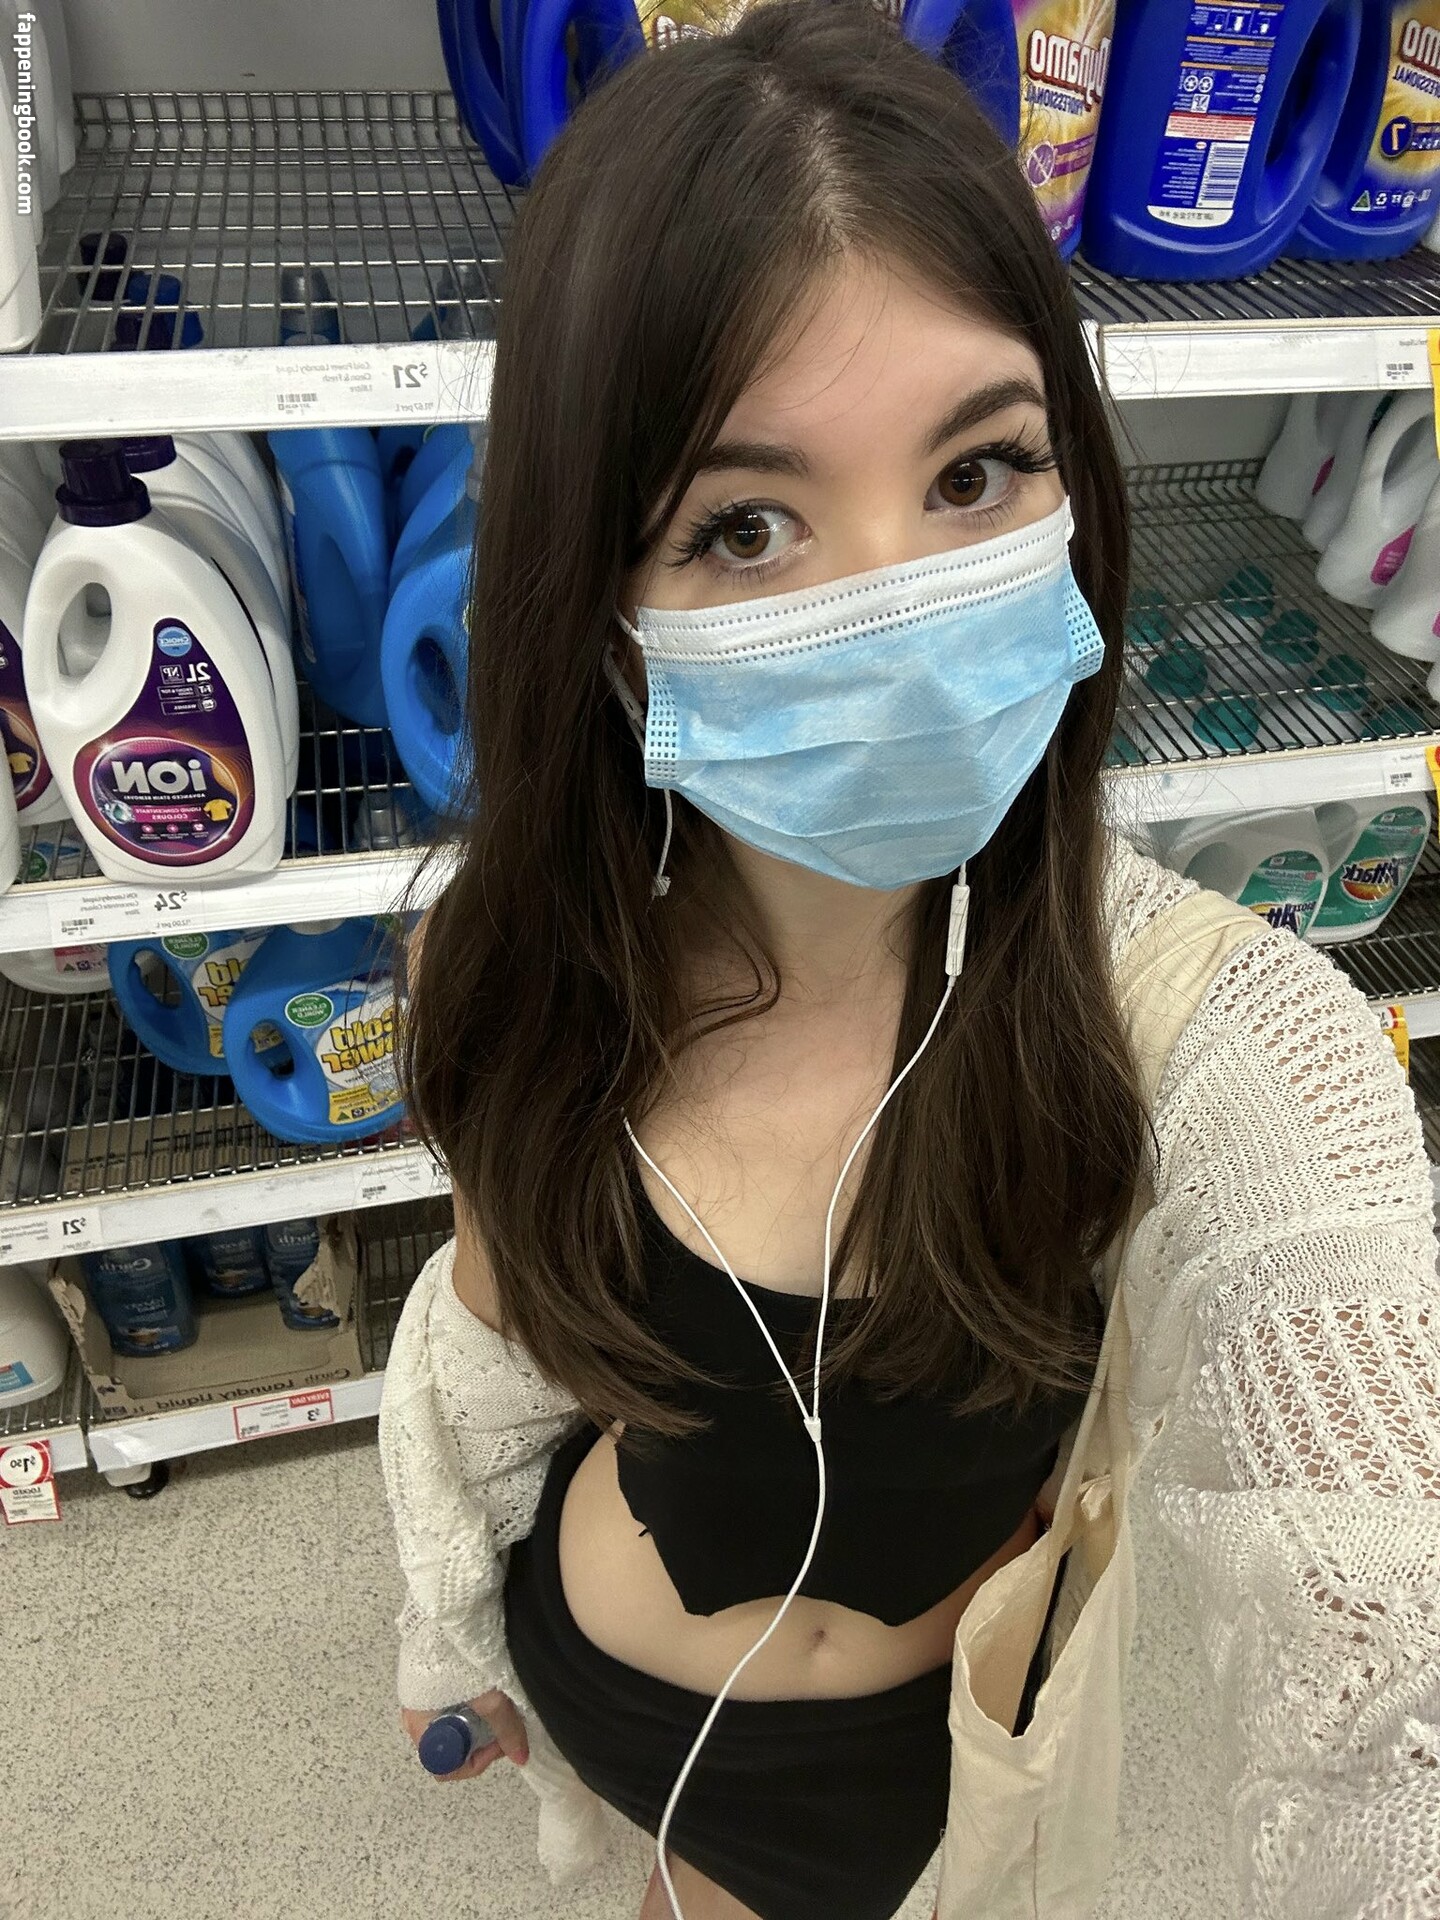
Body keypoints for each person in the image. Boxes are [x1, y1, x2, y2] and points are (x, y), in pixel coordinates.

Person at [379, 5, 1440, 1917]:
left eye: (975, 474)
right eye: (745, 524)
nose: (895, 602)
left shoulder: (1209, 1038)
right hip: (599, 1678)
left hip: (915, 1786)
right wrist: (446, 1616)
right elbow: (486, 1342)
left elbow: (1382, 1665)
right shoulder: (519, 954)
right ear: (598, 607)